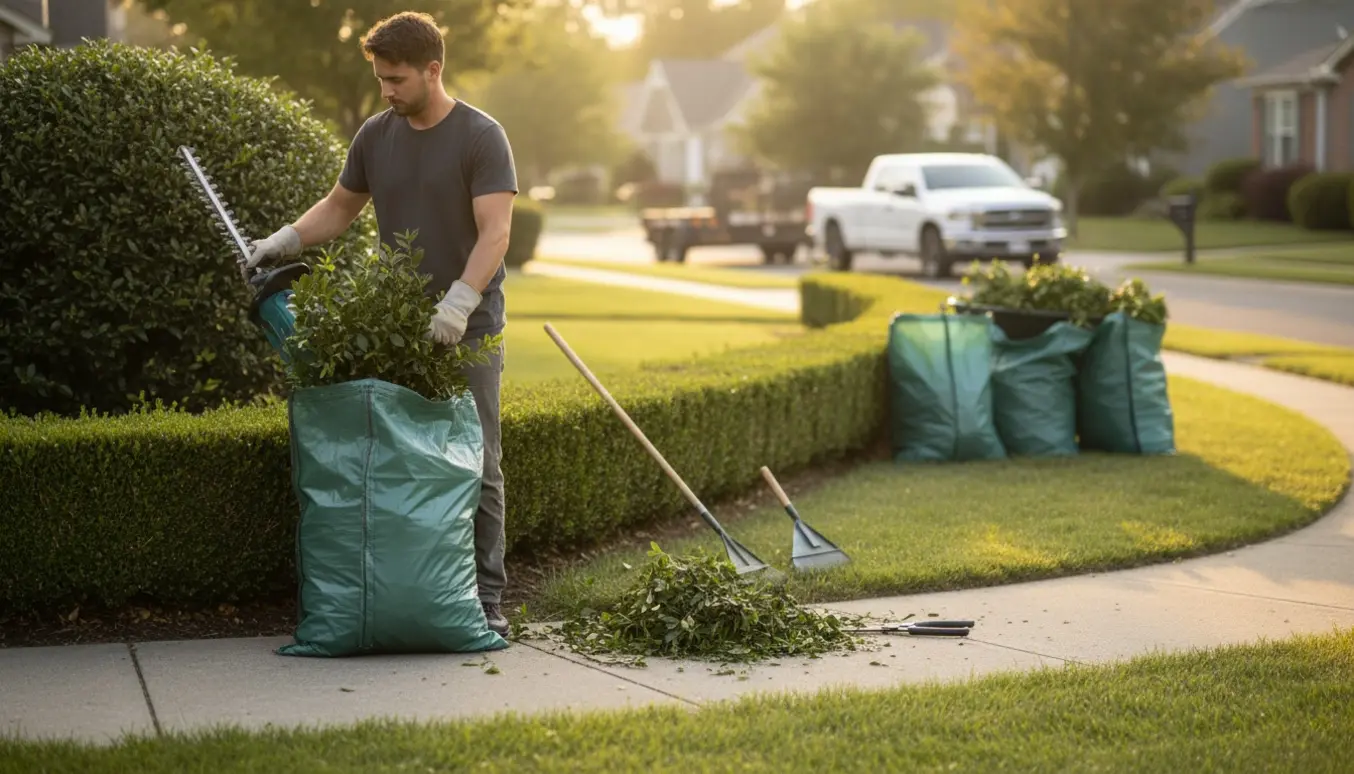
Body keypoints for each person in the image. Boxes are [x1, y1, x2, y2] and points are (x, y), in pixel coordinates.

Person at [244, 11, 517, 637]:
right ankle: (410, 593)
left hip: (469, 327)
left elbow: (496, 232)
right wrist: (283, 241)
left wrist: (459, 302)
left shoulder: (481, 136)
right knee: (399, 461)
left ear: (432, 69)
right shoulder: (376, 134)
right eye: (381, 80)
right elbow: (340, 207)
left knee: (478, 461)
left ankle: (487, 599)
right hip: (397, 326)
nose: (387, 91)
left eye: (397, 79)